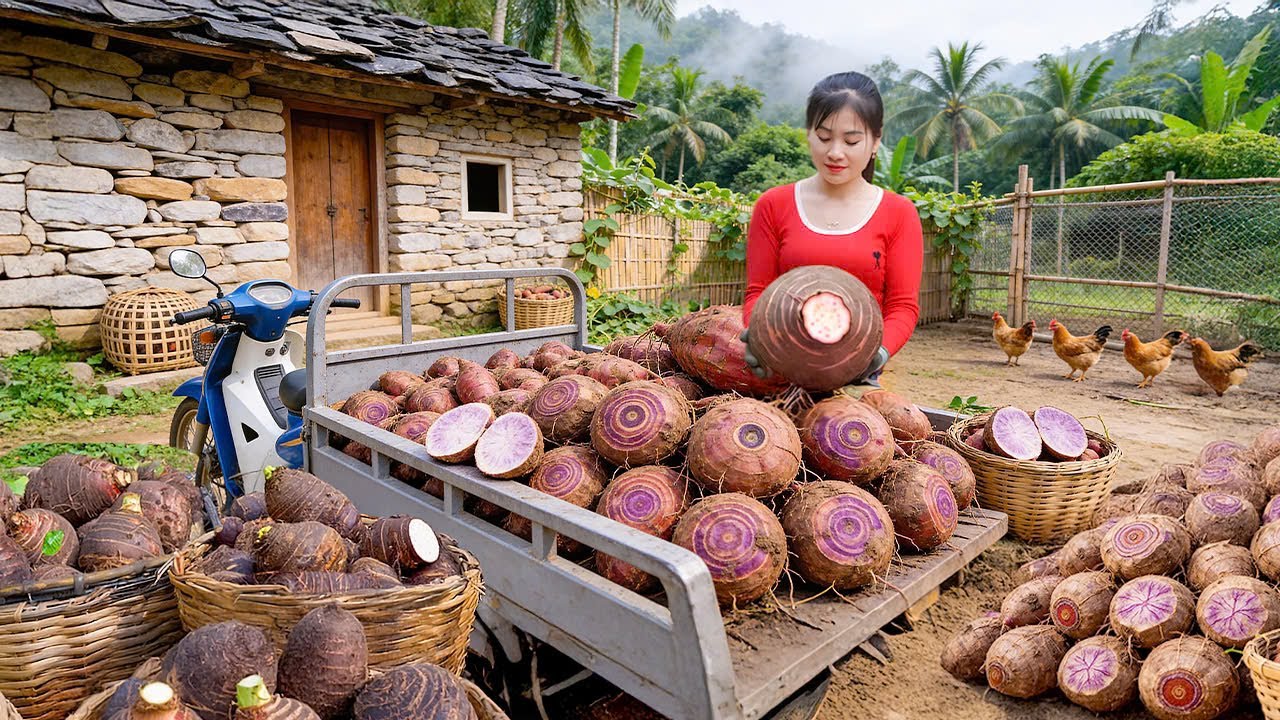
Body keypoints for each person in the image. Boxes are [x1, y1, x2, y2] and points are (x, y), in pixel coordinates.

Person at [740, 71, 924, 388]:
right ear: (808, 134)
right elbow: (758, 292)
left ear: (875, 141)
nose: (835, 152)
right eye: (824, 137)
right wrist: (758, 336)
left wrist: (876, 354)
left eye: (851, 141)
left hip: (858, 381)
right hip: (781, 370)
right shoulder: (772, 205)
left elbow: (902, 307)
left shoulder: (899, 213)